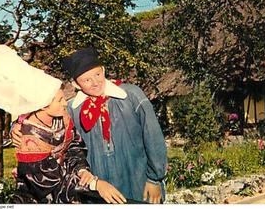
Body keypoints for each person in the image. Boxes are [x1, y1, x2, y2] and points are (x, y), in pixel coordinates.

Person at [0, 45, 126, 204]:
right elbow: (49, 182)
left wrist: (81, 170)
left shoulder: (61, 117)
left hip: (68, 186)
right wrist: (94, 184)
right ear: (43, 104)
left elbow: (74, 144)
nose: (65, 103)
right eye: (59, 100)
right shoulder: (29, 140)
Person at [13, 47, 167, 204]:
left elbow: (153, 137)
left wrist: (155, 179)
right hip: (97, 191)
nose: (95, 83)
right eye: (86, 80)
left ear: (104, 70)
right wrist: (18, 124)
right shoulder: (71, 108)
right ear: (76, 84)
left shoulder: (132, 95)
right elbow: (42, 120)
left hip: (138, 180)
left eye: (98, 74)